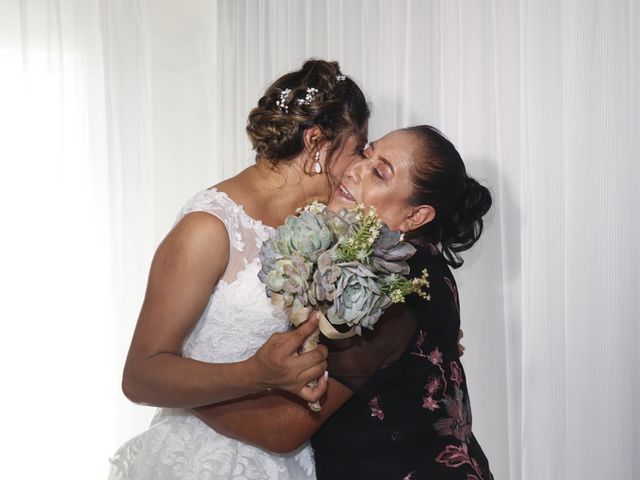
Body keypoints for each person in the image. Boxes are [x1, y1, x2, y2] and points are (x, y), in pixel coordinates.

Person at [108, 59, 370, 479]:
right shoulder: (209, 228)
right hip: (201, 461)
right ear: (317, 142)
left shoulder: (324, 226)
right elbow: (140, 375)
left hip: (289, 458)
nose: (358, 168)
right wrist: (253, 374)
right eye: (357, 149)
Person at [192, 126, 494, 479]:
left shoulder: (392, 277)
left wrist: (182, 391)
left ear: (416, 216)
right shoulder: (418, 262)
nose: (356, 169)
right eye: (366, 153)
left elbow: (282, 428)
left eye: (380, 173)